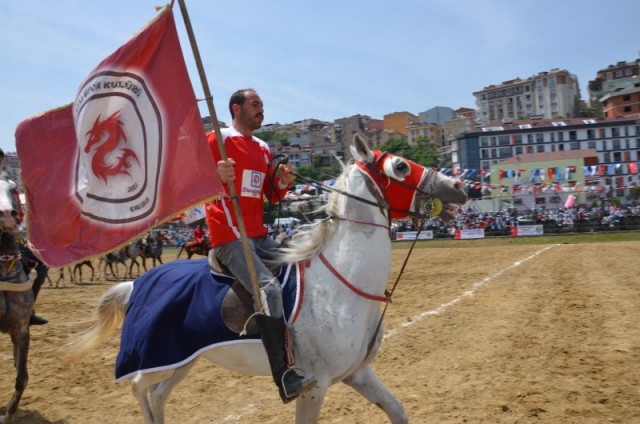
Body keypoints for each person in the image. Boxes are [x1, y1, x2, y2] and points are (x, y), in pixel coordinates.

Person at [205, 88, 316, 403]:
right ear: (236, 108)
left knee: (304, 261)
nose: (261, 110)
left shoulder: (265, 148)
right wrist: (215, 175)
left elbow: (273, 195)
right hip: (230, 235)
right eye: (255, 105)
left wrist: (282, 180)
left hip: (258, 234)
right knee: (267, 289)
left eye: (263, 106)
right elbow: (193, 183)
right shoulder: (216, 139)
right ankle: (284, 375)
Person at [0, 148, 48, 325]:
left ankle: (28, 311)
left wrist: (15, 227)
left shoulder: (9, 186)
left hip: (10, 239)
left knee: (40, 265)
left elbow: (19, 214)